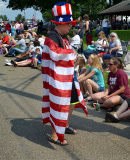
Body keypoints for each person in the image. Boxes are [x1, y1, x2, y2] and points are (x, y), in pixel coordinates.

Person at [41, 2, 88, 146]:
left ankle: (65, 125)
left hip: (69, 77)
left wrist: (74, 57)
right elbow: (56, 54)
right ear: (60, 24)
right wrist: (72, 55)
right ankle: (55, 135)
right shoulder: (52, 36)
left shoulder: (64, 36)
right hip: (57, 79)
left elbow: (66, 53)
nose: (70, 26)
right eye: (68, 24)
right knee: (58, 104)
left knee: (72, 100)